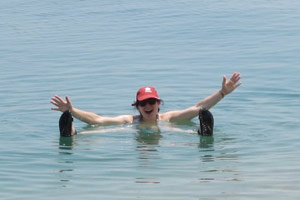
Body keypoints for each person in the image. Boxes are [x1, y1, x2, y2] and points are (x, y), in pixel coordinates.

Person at [51, 72, 242, 137]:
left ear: (158, 104)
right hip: (136, 137)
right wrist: (72, 111)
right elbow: (98, 120)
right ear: (137, 106)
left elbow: (198, 108)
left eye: (152, 101)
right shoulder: (129, 120)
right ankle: (72, 133)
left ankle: (203, 133)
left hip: (165, 136)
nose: (148, 105)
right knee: (97, 133)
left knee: (183, 135)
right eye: (143, 103)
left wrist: (222, 93)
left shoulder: (169, 118)